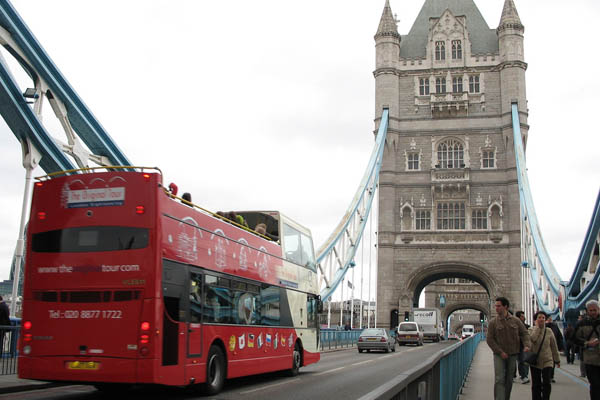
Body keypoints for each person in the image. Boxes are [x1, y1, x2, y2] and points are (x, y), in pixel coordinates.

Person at [487, 297, 531, 400]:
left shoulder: (516, 321)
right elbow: (489, 339)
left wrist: (527, 345)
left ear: (505, 307)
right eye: (495, 306)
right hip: (499, 355)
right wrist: (499, 351)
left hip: (512, 354)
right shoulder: (493, 322)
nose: (496, 308)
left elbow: (524, 333)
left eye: (499, 306)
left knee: (509, 380)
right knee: (499, 379)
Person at [529, 310, 560, 400]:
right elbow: (533, 339)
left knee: (546, 382)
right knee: (536, 383)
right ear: (535, 319)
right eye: (539, 317)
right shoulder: (531, 330)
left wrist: (557, 360)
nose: (541, 319)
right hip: (535, 360)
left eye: (543, 318)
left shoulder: (549, 331)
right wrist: (538, 328)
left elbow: (554, 346)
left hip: (548, 360)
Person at [573, 300, 600, 399]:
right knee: (595, 385)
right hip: (590, 359)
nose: (593, 312)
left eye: (595, 310)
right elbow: (574, 338)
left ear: (599, 309)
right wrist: (587, 343)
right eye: (591, 310)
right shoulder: (581, 323)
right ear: (587, 311)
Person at [544, 316, 564, 383]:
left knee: (552, 363)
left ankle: (551, 376)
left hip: (553, 347)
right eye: (548, 319)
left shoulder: (555, 326)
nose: (550, 320)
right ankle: (545, 376)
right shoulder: (542, 326)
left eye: (550, 319)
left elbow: (559, 337)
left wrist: (561, 347)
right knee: (545, 363)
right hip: (544, 348)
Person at [515, 310, 531, 384]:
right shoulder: (514, 327)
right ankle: (523, 376)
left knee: (525, 361)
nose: (524, 317)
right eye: (522, 316)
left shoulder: (527, 327)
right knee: (520, 361)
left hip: (525, 346)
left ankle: (524, 376)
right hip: (516, 346)